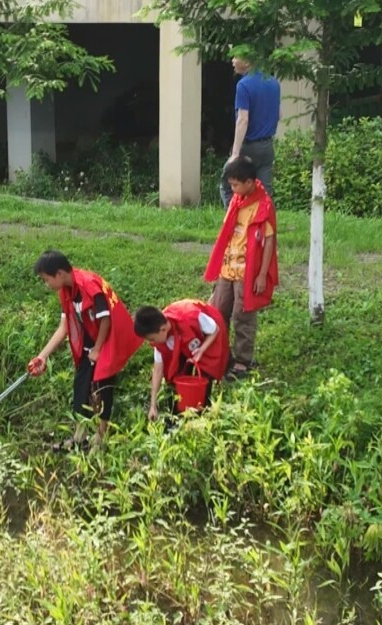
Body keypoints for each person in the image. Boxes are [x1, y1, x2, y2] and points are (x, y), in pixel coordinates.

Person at [28, 250, 142, 451]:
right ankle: (79, 437)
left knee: (103, 385)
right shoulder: (66, 291)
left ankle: (101, 437)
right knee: (81, 386)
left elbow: (106, 319)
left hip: (109, 339)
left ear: (60, 274)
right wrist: (42, 356)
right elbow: (64, 327)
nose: (47, 285)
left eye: (46, 279)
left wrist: (97, 349)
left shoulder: (88, 285)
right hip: (90, 340)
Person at [205, 157, 278, 380]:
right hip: (228, 268)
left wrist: (262, 274)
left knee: (242, 314)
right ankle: (222, 354)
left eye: (235, 185)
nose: (232, 189)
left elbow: (269, 242)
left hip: (247, 271)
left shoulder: (264, 205)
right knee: (219, 310)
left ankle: (243, 360)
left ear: (249, 182)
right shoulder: (238, 199)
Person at [133, 300, 229, 423]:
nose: (151, 343)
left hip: (209, 334)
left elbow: (215, 330)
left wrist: (201, 350)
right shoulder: (161, 338)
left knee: (205, 374)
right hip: (186, 342)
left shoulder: (191, 317)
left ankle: (202, 413)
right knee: (177, 372)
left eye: (152, 339)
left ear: (163, 329)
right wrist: (153, 405)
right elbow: (158, 370)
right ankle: (179, 413)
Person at [220, 53, 280, 208]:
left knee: (227, 183)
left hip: (248, 147)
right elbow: (278, 114)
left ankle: (235, 218)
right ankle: (263, 221)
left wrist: (235, 153)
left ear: (247, 62)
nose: (232, 60)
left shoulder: (243, 85)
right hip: (267, 146)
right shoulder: (273, 82)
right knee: (265, 192)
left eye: (236, 57)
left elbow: (243, 120)